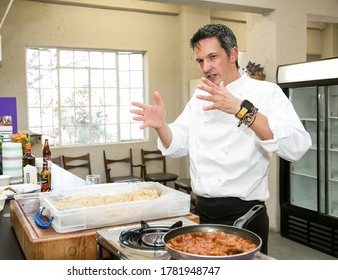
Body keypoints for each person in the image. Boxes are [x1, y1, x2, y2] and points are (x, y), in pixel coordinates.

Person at [131, 24, 311, 255]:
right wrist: (161, 126)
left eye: (212, 57)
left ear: (233, 54)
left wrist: (241, 109)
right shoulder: (199, 96)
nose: (206, 67)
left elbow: (297, 146)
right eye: (200, 60)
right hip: (202, 211)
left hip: (244, 214)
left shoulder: (266, 92)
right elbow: (178, 144)